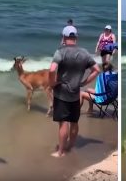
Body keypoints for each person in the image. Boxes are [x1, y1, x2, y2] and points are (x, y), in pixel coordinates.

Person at [49, 26, 100, 158]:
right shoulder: (84, 53)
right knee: (74, 122)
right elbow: (97, 70)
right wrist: (83, 82)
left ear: (64, 37)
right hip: (75, 93)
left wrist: (52, 83)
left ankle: (60, 152)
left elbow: (51, 70)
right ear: (75, 37)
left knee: (63, 123)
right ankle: (70, 146)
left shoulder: (60, 51)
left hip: (62, 93)